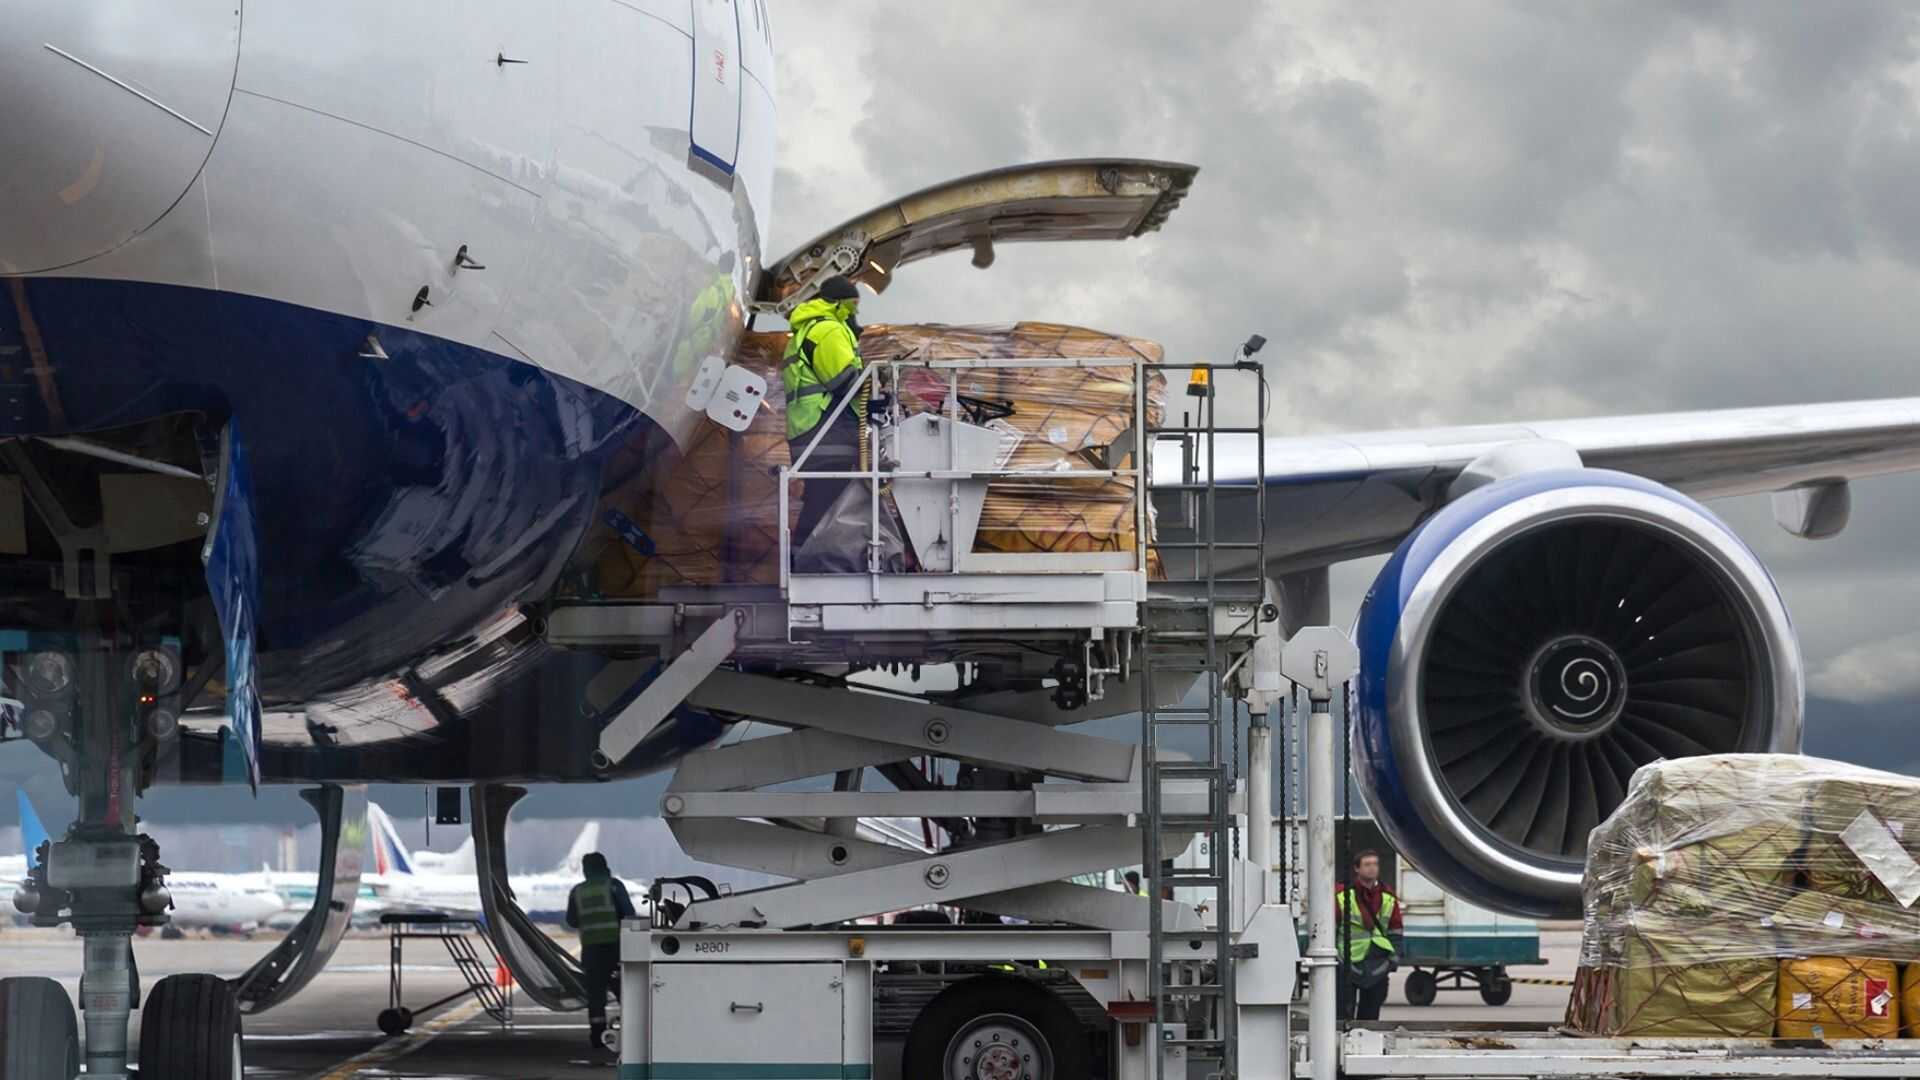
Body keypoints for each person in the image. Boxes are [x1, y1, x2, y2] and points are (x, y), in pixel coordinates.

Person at [782, 274, 868, 545]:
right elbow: (843, 381)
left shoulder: (808, 328)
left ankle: (805, 559)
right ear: (842, 303)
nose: (857, 311)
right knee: (828, 503)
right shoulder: (829, 330)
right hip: (826, 431)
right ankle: (808, 562)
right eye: (854, 304)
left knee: (822, 500)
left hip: (810, 430)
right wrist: (875, 380)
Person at [566, 851, 639, 1049]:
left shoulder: (577, 891)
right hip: (617, 949)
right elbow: (629, 913)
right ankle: (634, 1032)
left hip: (591, 951)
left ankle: (597, 1036)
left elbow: (571, 921)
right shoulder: (614, 886)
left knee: (595, 996)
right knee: (627, 992)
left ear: (585, 870)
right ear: (605, 867)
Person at [1336, 849, 1402, 1022]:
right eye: (1367, 864)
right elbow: (1330, 929)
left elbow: (1396, 930)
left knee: (1371, 1019)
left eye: (1375, 864)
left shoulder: (1388, 897)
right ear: (1357, 869)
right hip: (1348, 963)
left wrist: (1393, 959)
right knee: (1343, 1018)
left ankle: (1366, 1048)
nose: (1372, 868)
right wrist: (1337, 958)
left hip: (1377, 964)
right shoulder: (1342, 895)